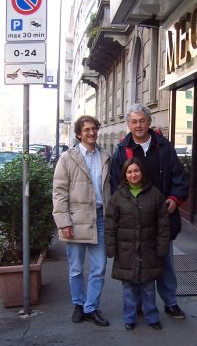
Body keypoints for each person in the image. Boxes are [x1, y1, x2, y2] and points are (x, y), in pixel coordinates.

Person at [110, 103, 189, 319]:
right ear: (128, 124)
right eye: (134, 121)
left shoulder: (164, 147)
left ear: (149, 122)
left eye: (142, 120)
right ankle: (136, 305)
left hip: (161, 219)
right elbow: (116, 187)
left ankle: (170, 302)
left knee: (165, 263)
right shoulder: (121, 151)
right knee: (135, 263)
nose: (138, 125)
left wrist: (174, 199)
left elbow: (179, 177)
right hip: (133, 221)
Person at [52, 115, 111, 327]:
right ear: (79, 134)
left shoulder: (105, 156)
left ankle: (91, 307)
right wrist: (64, 222)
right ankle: (78, 304)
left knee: (99, 267)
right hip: (75, 221)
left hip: (100, 219)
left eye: (94, 128)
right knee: (76, 268)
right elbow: (59, 193)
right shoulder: (68, 158)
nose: (92, 132)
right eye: (87, 129)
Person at [105, 157, 170, 330]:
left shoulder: (155, 194)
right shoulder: (117, 197)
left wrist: (162, 247)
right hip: (126, 251)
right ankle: (130, 318)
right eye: (129, 172)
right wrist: (110, 247)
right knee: (128, 288)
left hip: (148, 250)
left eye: (136, 171)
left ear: (142, 172)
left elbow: (163, 224)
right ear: (125, 175)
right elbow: (110, 224)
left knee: (149, 287)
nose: (133, 175)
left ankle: (152, 317)